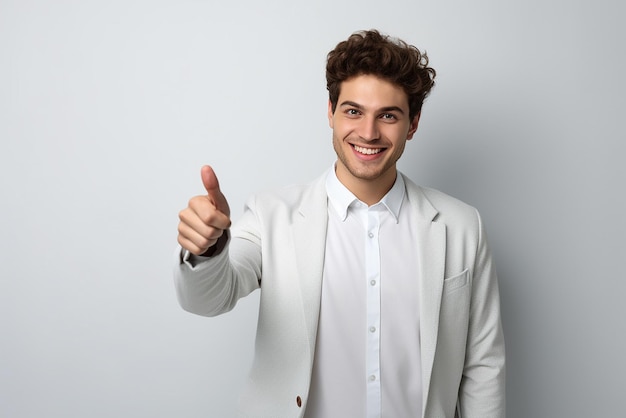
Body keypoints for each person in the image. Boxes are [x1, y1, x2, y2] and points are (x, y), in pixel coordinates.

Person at [174, 29, 505, 418]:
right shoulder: (272, 214)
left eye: (388, 116)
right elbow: (208, 299)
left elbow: (483, 365)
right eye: (353, 111)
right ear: (330, 113)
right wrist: (209, 249)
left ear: (413, 124)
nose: (368, 132)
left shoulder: (462, 226)